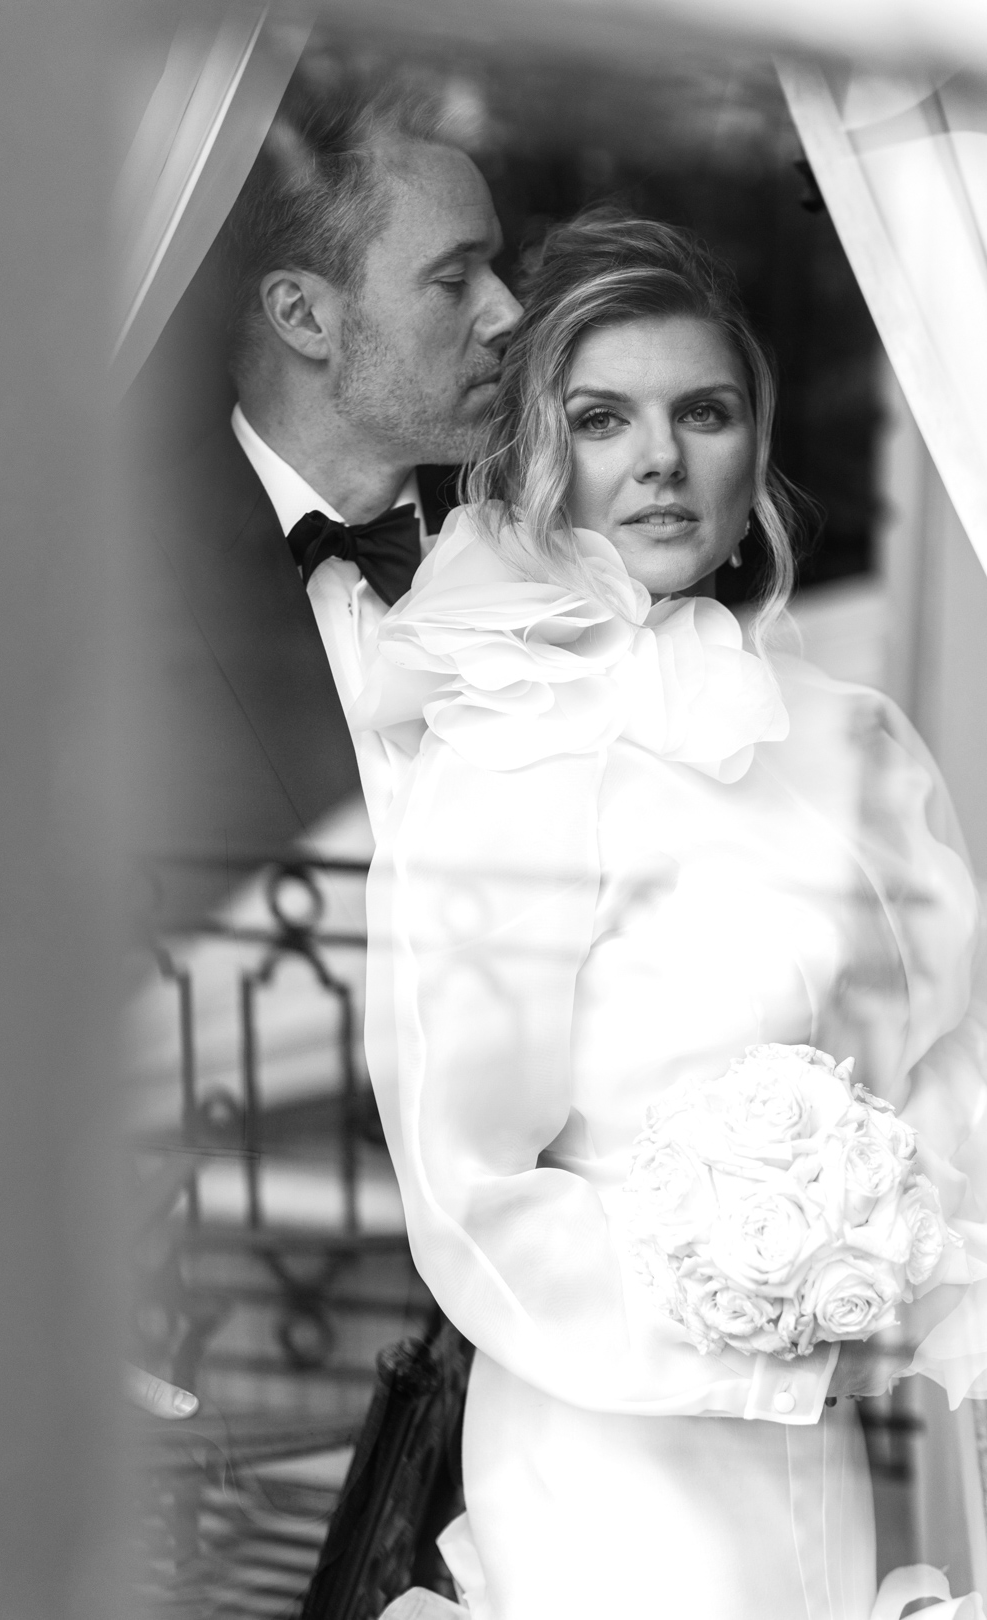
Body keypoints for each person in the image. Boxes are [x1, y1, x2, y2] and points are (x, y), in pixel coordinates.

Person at [357, 211, 987, 1618]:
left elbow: (956, 1051)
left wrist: (895, 1267)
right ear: (543, 455)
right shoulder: (508, 754)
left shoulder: (853, 739)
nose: (660, 459)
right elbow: (466, 1182)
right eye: (603, 419)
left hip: (828, 1428)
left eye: (704, 412)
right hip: (608, 1446)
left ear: (753, 448)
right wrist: (736, 1315)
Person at [131, 79, 520, 921]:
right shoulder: (122, 576)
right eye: (455, 279)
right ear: (303, 316)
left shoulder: (541, 530)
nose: (509, 312)